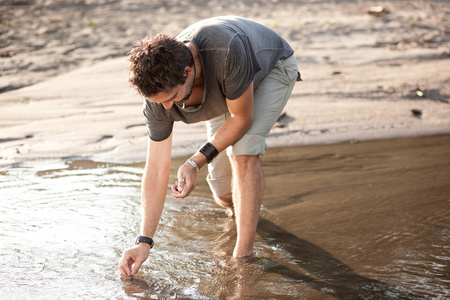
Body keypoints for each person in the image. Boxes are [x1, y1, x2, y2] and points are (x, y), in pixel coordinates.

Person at [119, 16, 301, 277]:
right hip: (227, 90)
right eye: (160, 102)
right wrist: (143, 241)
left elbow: (242, 118)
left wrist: (195, 162)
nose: (168, 108)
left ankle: (244, 257)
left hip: (271, 69)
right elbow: (157, 170)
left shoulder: (226, 49)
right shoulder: (158, 100)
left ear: (187, 72)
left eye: (171, 98)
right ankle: (243, 214)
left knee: (243, 151)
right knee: (224, 193)